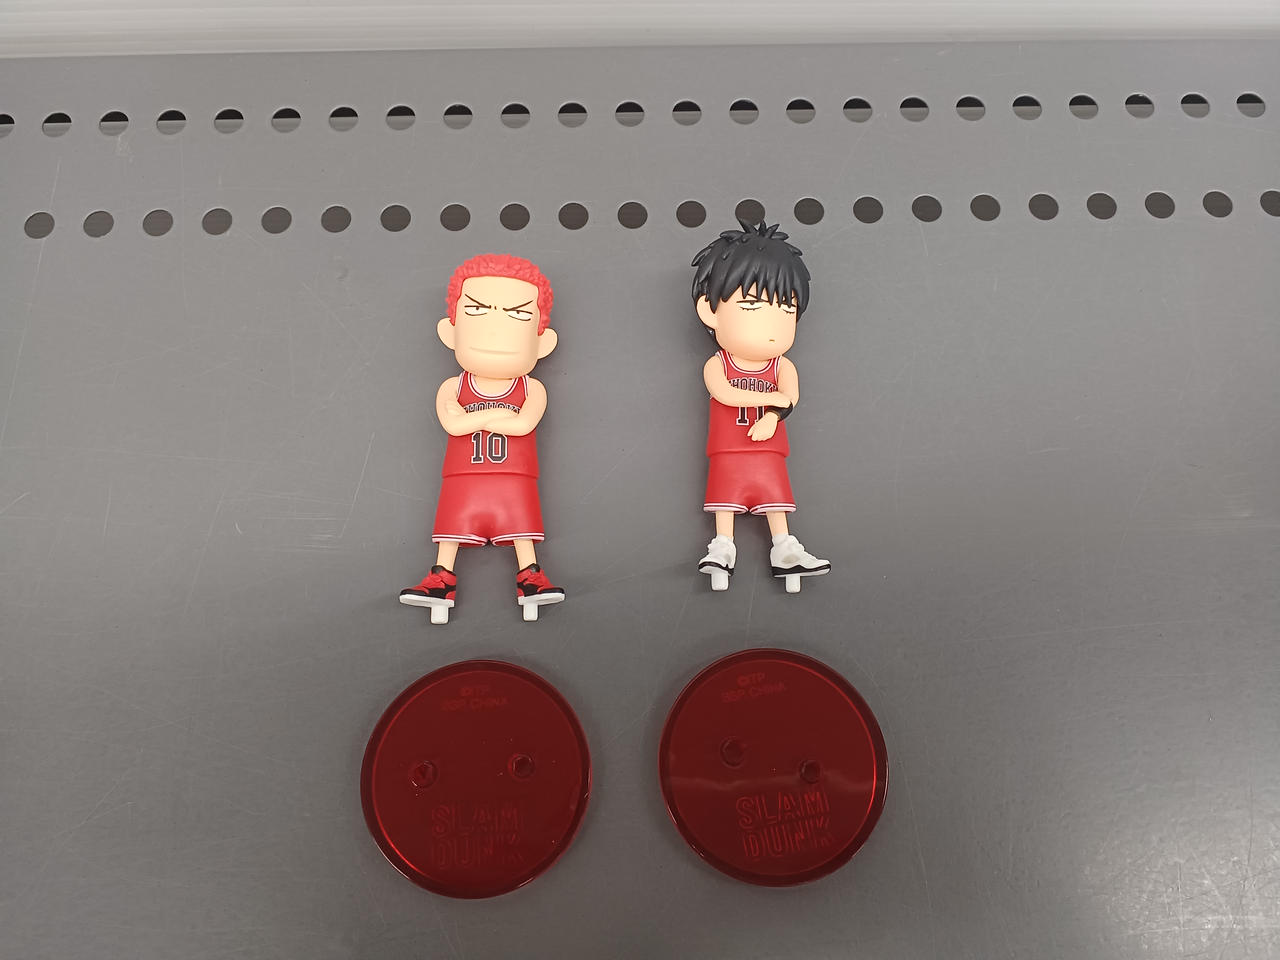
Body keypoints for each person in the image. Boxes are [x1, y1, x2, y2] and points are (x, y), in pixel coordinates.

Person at [400, 254, 565, 622]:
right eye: (477, 312)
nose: (495, 331)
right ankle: (440, 580)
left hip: (515, 479)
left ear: (542, 342)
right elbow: (453, 425)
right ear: (450, 331)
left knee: (522, 531)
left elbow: (523, 425)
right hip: (463, 479)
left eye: (517, 315)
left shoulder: (532, 388)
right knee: (451, 530)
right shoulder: (453, 385)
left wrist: (475, 418)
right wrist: (502, 416)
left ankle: (532, 579)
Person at [690, 221, 830, 592]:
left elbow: (790, 398)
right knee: (725, 500)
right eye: (752, 305)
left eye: (785, 309)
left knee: (775, 500)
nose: (771, 324)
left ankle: (785, 550)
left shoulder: (782, 366)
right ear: (710, 311)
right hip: (728, 449)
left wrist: (773, 416)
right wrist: (771, 400)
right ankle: (722, 547)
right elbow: (725, 393)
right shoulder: (718, 364)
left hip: (769, 450)